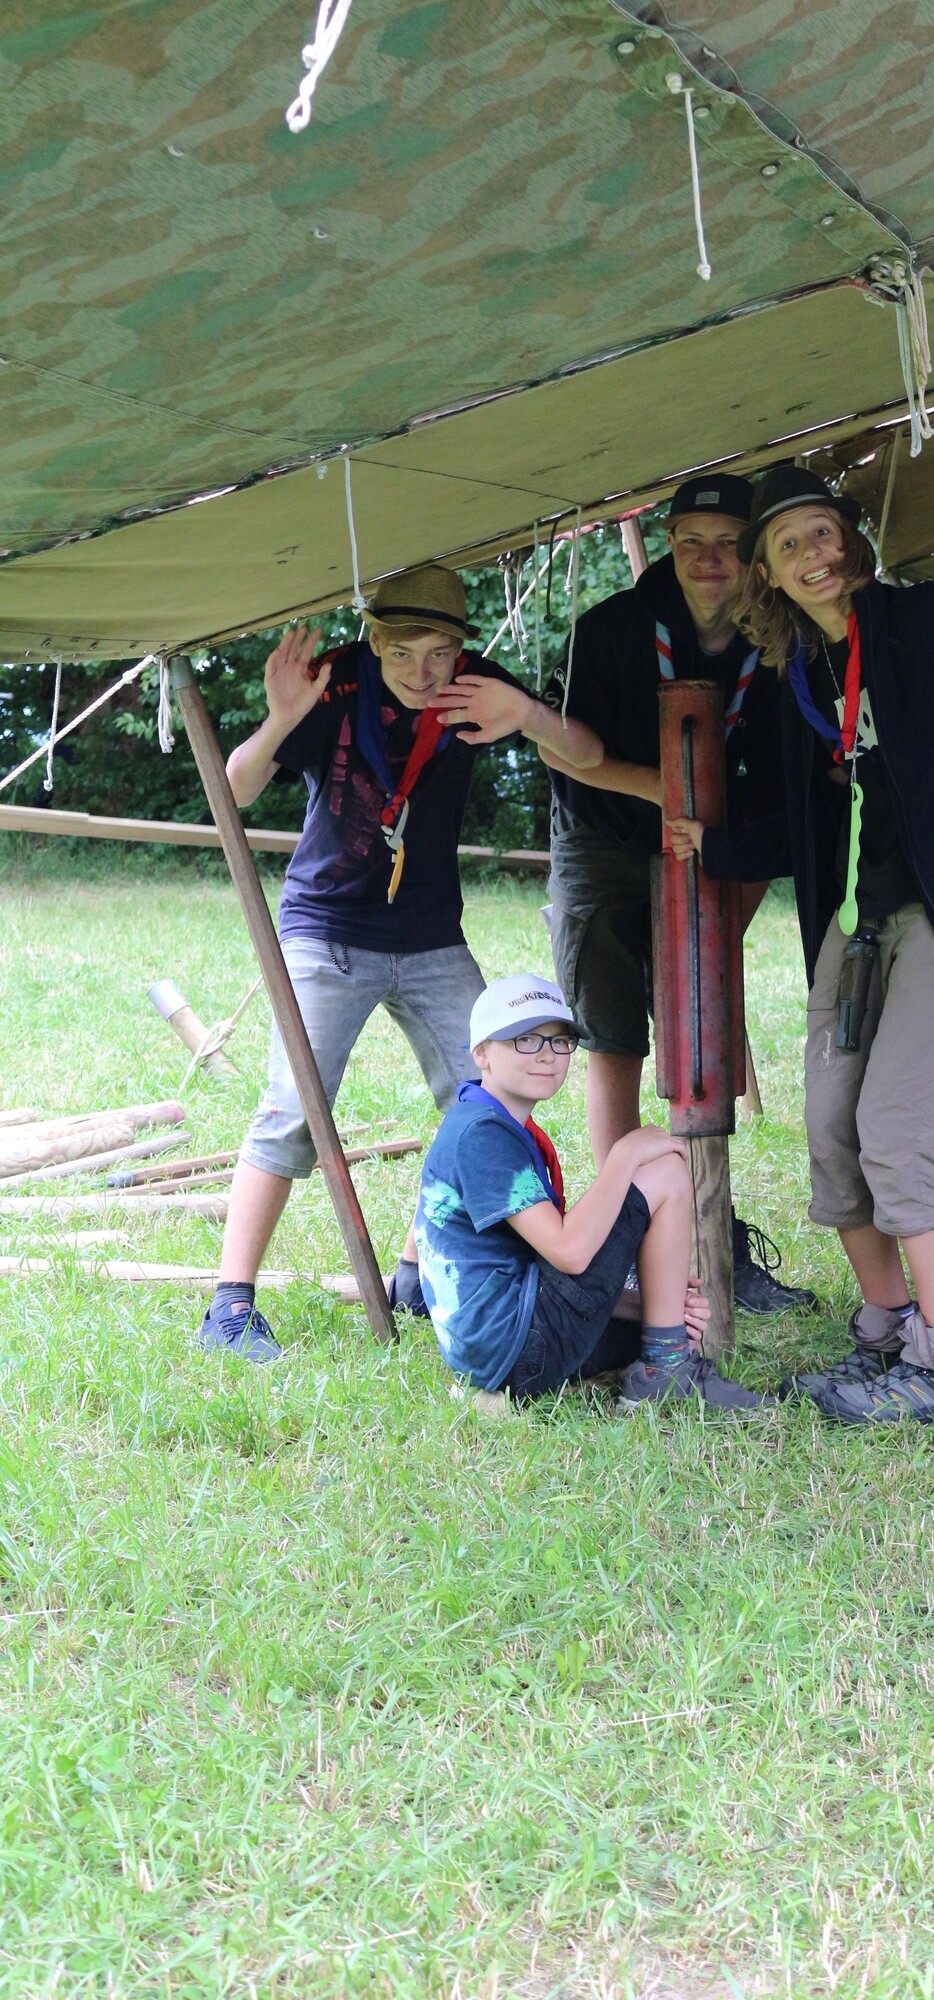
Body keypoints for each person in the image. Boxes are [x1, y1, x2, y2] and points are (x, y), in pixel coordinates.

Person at [669, 462, 934, 1426]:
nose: (812, 554)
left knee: (896, 1130)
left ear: (849, 541)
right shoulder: (791, 673)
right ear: (767, 574)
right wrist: (717, 847)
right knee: (832, 1133)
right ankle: (886, 1334)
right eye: (789, 545)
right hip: (852, 928)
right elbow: (798, 816)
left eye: (822, 532)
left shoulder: (926, 619)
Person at [199, 563, 604, 1361]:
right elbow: (235, 789)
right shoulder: (333, 684)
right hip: (326, 930)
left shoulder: (478, 685)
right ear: (373, 640)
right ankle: (230, 1306)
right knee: (292, 1112)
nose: (423, 674)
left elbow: (586, 754)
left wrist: (528, 713)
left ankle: (417, 1274)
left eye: (439, 654)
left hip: (430, 936)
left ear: (461, 649)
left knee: (492, 1098)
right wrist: (281, 718)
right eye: (401, 653)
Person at [541, 472, 816, 1316]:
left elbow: (784, 784)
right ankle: (628, 1241)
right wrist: (666, 789)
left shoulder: (781, 639)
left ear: (754, 555)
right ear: (668, 544)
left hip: (715, 845)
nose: (708, 560)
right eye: (692, 542)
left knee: (703, 1037)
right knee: (612, 1039)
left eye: (728, 544)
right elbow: (560, 749)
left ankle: (709, 1235)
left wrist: (737, 891)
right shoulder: (609, 628)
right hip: (604, 842)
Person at [416, 973, 773, 1412]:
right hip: (515, 1349)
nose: (547, 1054)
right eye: (525, 1040)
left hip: (496, 1349)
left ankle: (665, 1350)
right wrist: (625, 1152)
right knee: (663, 1172)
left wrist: (650, 1306)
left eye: (560, 1040)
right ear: (481, 1053)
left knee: (665, 1322)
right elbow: (569, 1252)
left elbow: (541, 1262)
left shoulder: (479, 1121)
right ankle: (666, 1371)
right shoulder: (481, 1137)